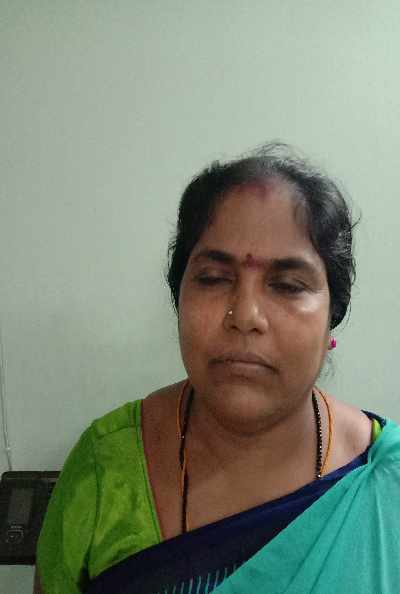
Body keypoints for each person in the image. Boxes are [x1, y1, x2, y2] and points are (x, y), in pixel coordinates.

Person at [34, 143, 400, 594]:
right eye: (213, 278)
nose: (245, 315)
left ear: (332, 319)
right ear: (179, 298)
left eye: (288, 285)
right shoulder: (104, 468)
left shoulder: (387, 483)